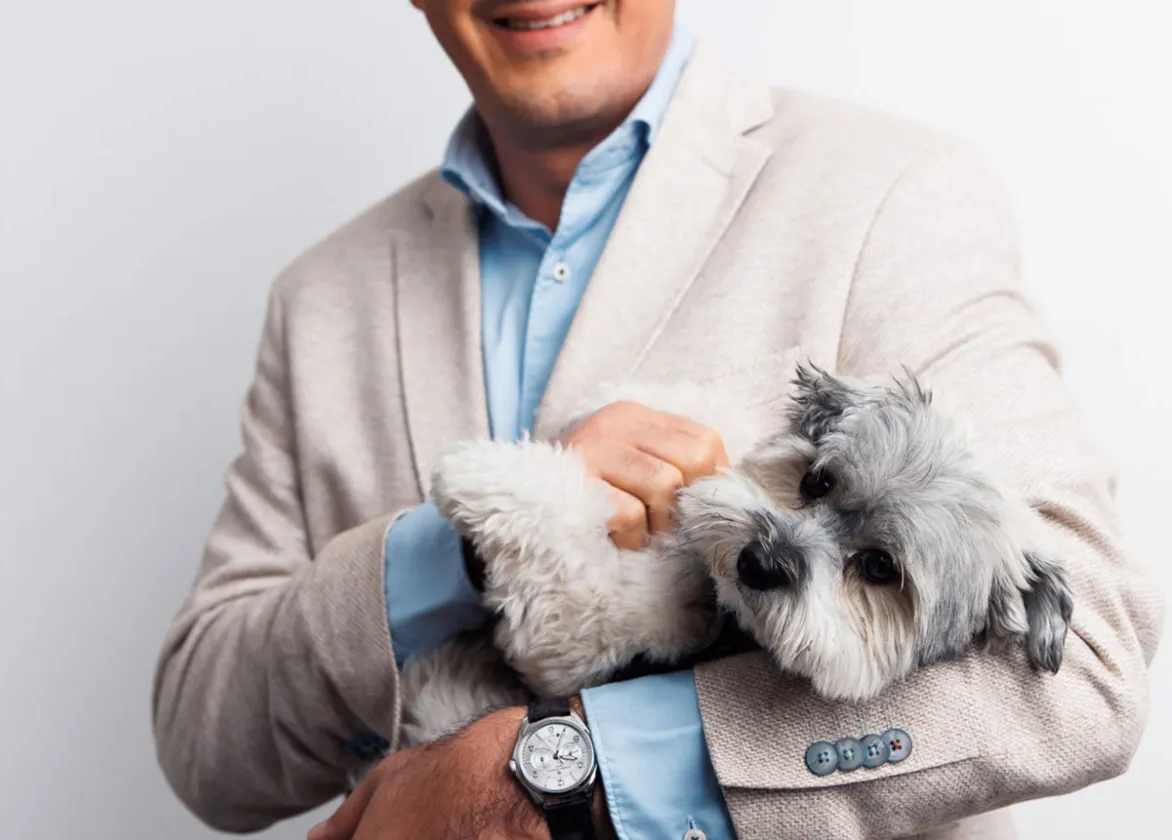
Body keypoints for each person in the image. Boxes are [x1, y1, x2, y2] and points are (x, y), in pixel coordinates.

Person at [152, 1, 1163, 838]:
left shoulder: (895, 193)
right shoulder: (321, 299)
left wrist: (564, 773)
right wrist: (453, 553)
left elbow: (1090, 669)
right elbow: (208, 742)